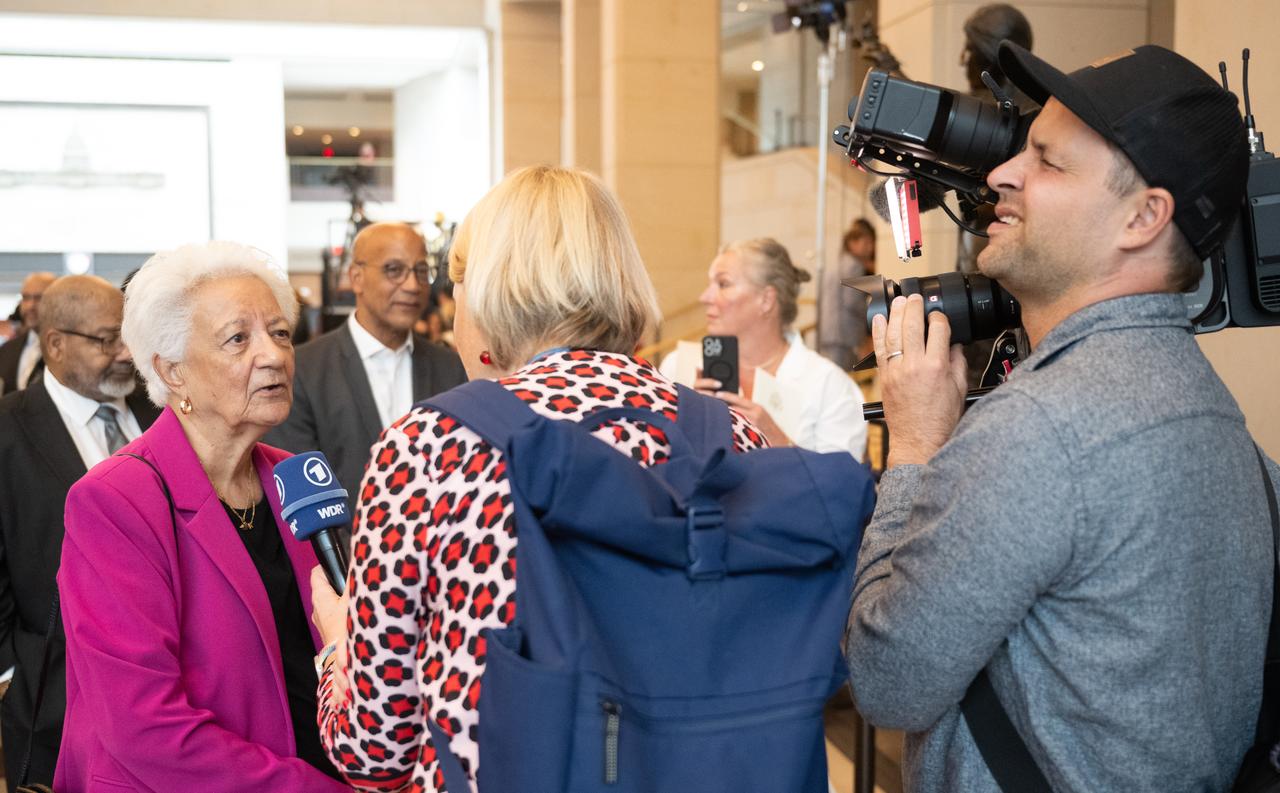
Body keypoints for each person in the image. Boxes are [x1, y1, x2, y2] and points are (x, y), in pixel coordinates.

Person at [844, 43, 1273, 792]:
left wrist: (914, 446)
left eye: (1048, 161)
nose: (1002, 174)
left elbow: (886, 681)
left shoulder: (1040, 430)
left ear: (1143, 217)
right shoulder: (1235, 440)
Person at [309, 166, 769, 791]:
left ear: (488, 288)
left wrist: (340, 643)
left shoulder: (429, 448)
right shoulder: (728, 435)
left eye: (458, 281)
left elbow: (374, 747)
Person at [56, 242, 349, 792]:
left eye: (280, 332)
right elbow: (143, 727)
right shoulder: (116, 500)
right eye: (239, 338)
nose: (273, 356)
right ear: (173, 373)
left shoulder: (294, 479)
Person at [0, 275, 161, 791]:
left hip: (165, 687)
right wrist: (9, 674)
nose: (123, 354)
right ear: (55, 343)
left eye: (128, 339)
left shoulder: (159, 412)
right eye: (107, 339)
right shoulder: (8, 430)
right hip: (52, 692)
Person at [266, 222, 467, 524]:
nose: (412, 285)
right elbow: (301, 499)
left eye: (421, 272)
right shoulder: (305, 371)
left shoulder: (453, 369)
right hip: (345, 563)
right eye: (394, 270)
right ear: (356, 277)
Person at [661, 237, 867, 460]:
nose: (705, 297)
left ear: (766, 300)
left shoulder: (830, 387)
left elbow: (841, 489)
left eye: (723, 284)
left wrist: (779, 444)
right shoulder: (677, 368)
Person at [819, 219, 876, 369]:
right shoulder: (855, 265)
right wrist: (870, 318)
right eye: (866, 243)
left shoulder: (839, 262)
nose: (870, 249)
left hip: (829, 332)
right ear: (852, 243)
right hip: (843, 334)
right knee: (839, 381)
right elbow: (852, 302)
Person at [0, 271, 57, 394]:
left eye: (38, 298)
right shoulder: (6, 350)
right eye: (25, 298)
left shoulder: (68, 350)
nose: (30, 306)